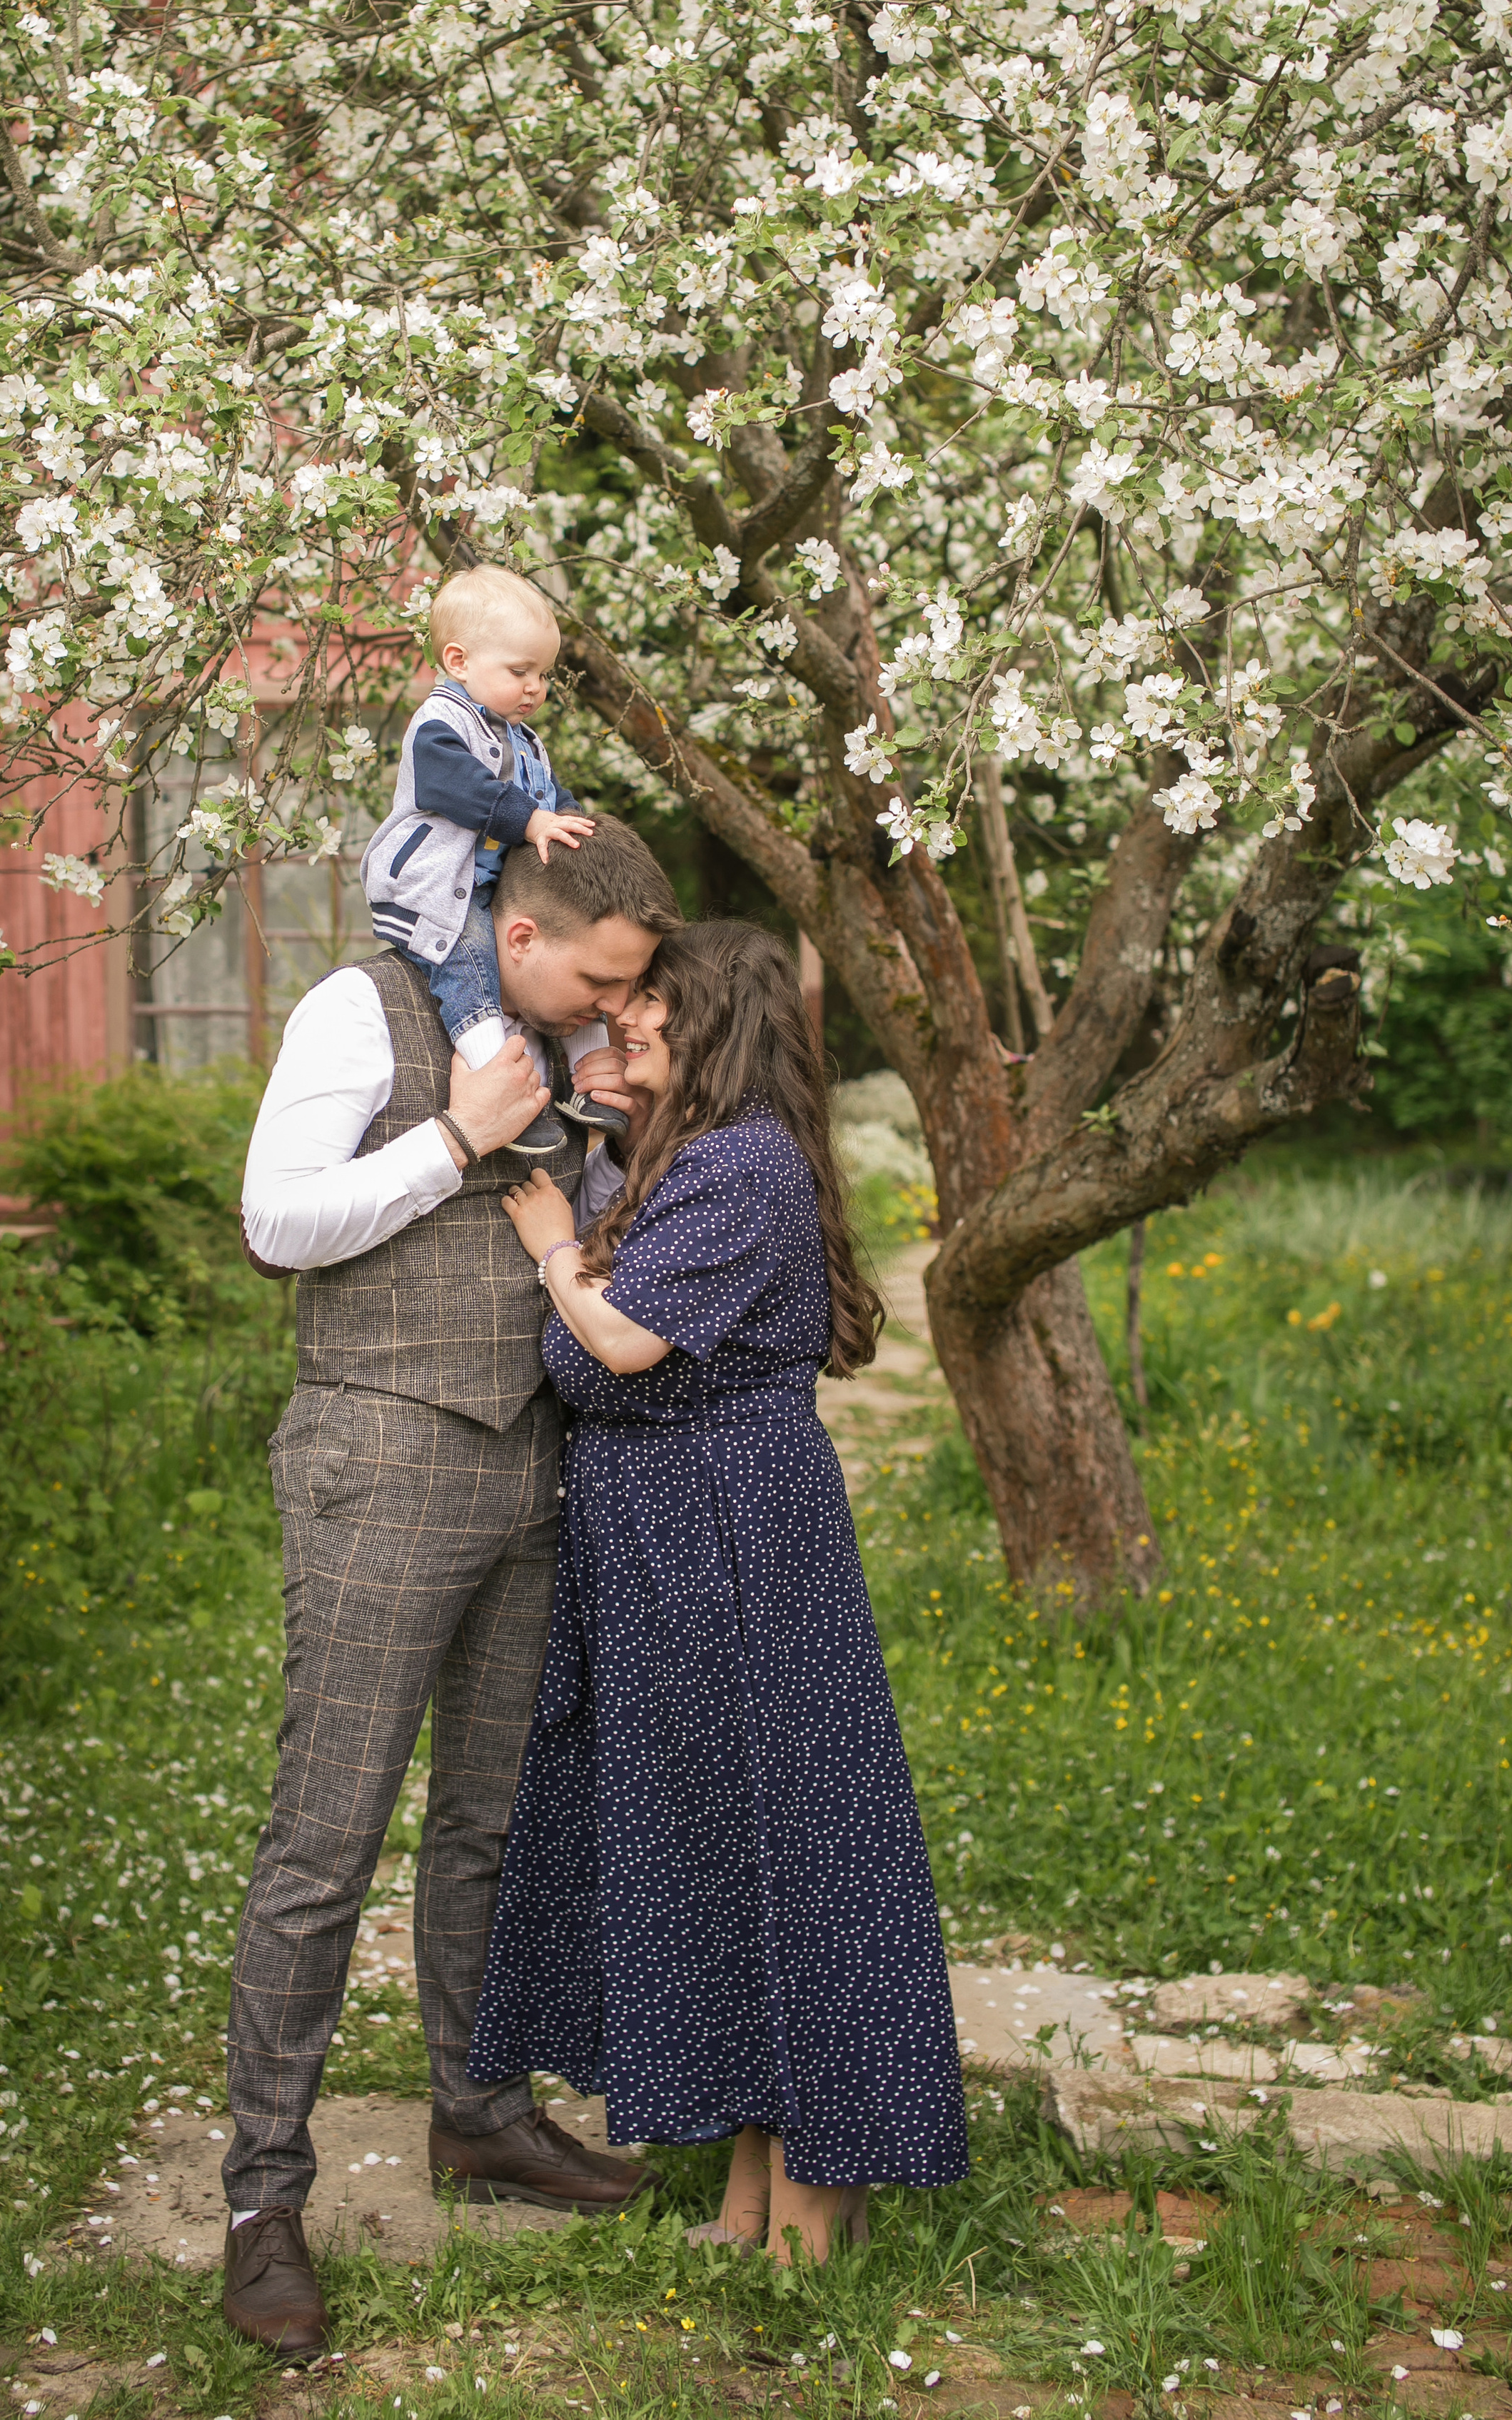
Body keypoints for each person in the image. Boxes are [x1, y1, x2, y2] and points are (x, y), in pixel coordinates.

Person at [223, 819, 681, 2360]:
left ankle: (477, 2116)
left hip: (533, 1469)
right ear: (524, 936)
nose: (608, 1010)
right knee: (324, 1837)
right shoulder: (362, 1009)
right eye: (598, 983)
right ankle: (260, 2201)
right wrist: (459, 1137)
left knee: (487, 1821)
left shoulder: (569, 1051)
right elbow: (276, 1222)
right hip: (379, 1458)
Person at [470, 921, 969, 2264]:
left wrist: (550, 1242)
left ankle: (824, 2200)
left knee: (792, 1856)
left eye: (650, 1012)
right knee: (736, 1860)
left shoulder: (741, 1162)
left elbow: (623, 1341)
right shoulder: (682, 1158)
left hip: (732, 1543)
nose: (622, 1024)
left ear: (718, 1033)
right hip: (674, 1544)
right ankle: (764, 2200)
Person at [361, 562, 632, 1156]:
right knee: (472, 968)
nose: (536, 687)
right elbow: (453, 788)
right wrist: (532, 821)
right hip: (435, 888)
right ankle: (500, 1089)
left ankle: (593, 1089)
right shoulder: (439, 725)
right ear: (458, 662)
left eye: (543, 675)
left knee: (579, 965)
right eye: (520, 671)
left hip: (491, 888)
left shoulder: (523, 740)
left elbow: (552, 801)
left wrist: (585, 837)